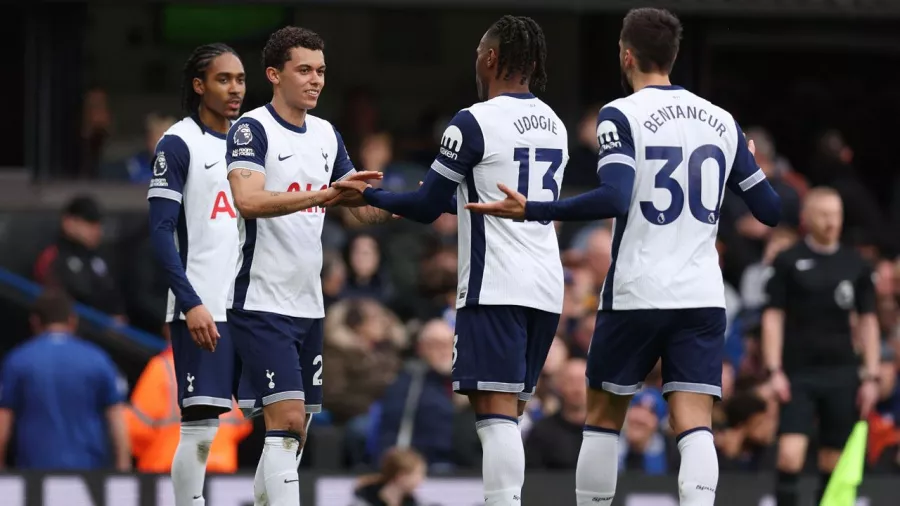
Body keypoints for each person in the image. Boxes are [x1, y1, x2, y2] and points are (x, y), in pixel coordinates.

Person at [466, 8, 782, 506]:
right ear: (673, 56)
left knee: (604, 418)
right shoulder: (722, 121)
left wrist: (535, 209)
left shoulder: (621, 114)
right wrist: (747, 161)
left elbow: (613, 198)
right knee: (694, 422)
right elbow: (770, 210)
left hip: (637, 289)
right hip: (702, 295)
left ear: (627, 54)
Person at [333, 16, 566, 506]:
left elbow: (426, 205)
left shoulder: (473, 120)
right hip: (546, 285)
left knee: (494, 415)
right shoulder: (557, 124)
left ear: (490, 59)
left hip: (495, 284)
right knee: (511, 411)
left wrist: (366, 196)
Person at [224, 26, 389, 506]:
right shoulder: (252, 128)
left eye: (320, 71)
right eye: (304, 70)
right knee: (289, 419)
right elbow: (248, 199)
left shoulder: (325, 134)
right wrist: (323, 194)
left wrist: (418, 199)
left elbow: (359, 208)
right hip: (259, 298)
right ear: (274, 75)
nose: (315, 80)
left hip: (307, 303)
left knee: (296, 431)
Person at [146, 43, 247, 506]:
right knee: (203, 428)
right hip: (204, 306)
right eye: (224, 79)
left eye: (241, 79)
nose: (235, 89)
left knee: (286, 418)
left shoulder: (253, 142)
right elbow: (161, 233)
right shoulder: (178, 142)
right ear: (199, 85)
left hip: (255, 304)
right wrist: (190, 302)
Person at [761, 187, 880, 506]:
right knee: (789, 456)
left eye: (837, 214)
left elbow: (868, 321)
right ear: (807, 217)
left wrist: (870, 375)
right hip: (798, 373)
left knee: (833, 462)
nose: (832, 222)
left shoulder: (856, 264)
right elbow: (773, 317)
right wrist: (774, 370)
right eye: (824, 214)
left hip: (842, 372)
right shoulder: (788, 260)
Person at [0, 290, 130, 470]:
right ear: (72, 320)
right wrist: (123, 466)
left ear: (35, 322)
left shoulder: (18, 360)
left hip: (34, 475)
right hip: (89, 474)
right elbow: (117, 419)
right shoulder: (98, 359)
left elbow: (4, 419)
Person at [33, 195, 126, 321]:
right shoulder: (52, 256)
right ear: (69, 222)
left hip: (107, 333)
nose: (96, 231)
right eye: (89, 224)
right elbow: (53, 301)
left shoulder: (100, 257)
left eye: (98, 225)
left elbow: (114, 294)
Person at [351, 447, 426, 506]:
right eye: (418, 474)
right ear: (401, 476)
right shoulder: (363, 502)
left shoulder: (412, 502)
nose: (421, 479)